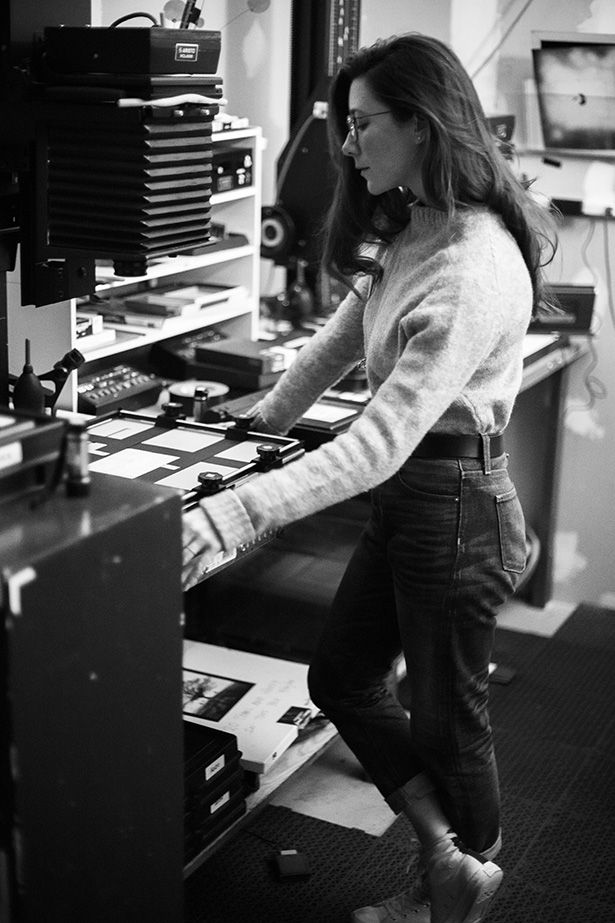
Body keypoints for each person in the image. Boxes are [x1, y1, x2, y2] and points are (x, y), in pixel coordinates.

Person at [182, 32, 557, 923]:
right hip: (418, 499)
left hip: (455, 503)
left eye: (360, 126)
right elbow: (344, 332)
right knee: (343, 677)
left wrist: (235, 514)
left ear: (422, 127)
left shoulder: (473, 263)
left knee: (450, 726)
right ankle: (445, 861)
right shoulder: (415, 228)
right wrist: (261, 420)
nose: (345, 148)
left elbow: (379, 439)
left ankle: (456, 894)